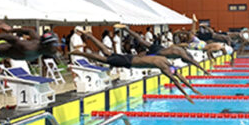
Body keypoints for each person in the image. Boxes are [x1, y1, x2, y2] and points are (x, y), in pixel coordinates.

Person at [71, 30, 199, 103]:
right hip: (130, 62)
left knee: (108, 54)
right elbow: (176, 80)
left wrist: (191, 89)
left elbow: (178, 77)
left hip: (131, 58)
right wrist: (186, 94)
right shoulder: (164, 66)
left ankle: (90, 37)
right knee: (105, 58)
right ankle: (79, 52)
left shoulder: (164, 60)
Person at [109, 25, 209, 75]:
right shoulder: (183, 54)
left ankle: (126, 28)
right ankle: (118, 60)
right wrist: (204, 71)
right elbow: (195, 62)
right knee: (138, 58)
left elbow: (181, 41)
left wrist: (180, 32)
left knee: (141, 41)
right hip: (157, 53)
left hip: (160, 48)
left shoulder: (182, 48)